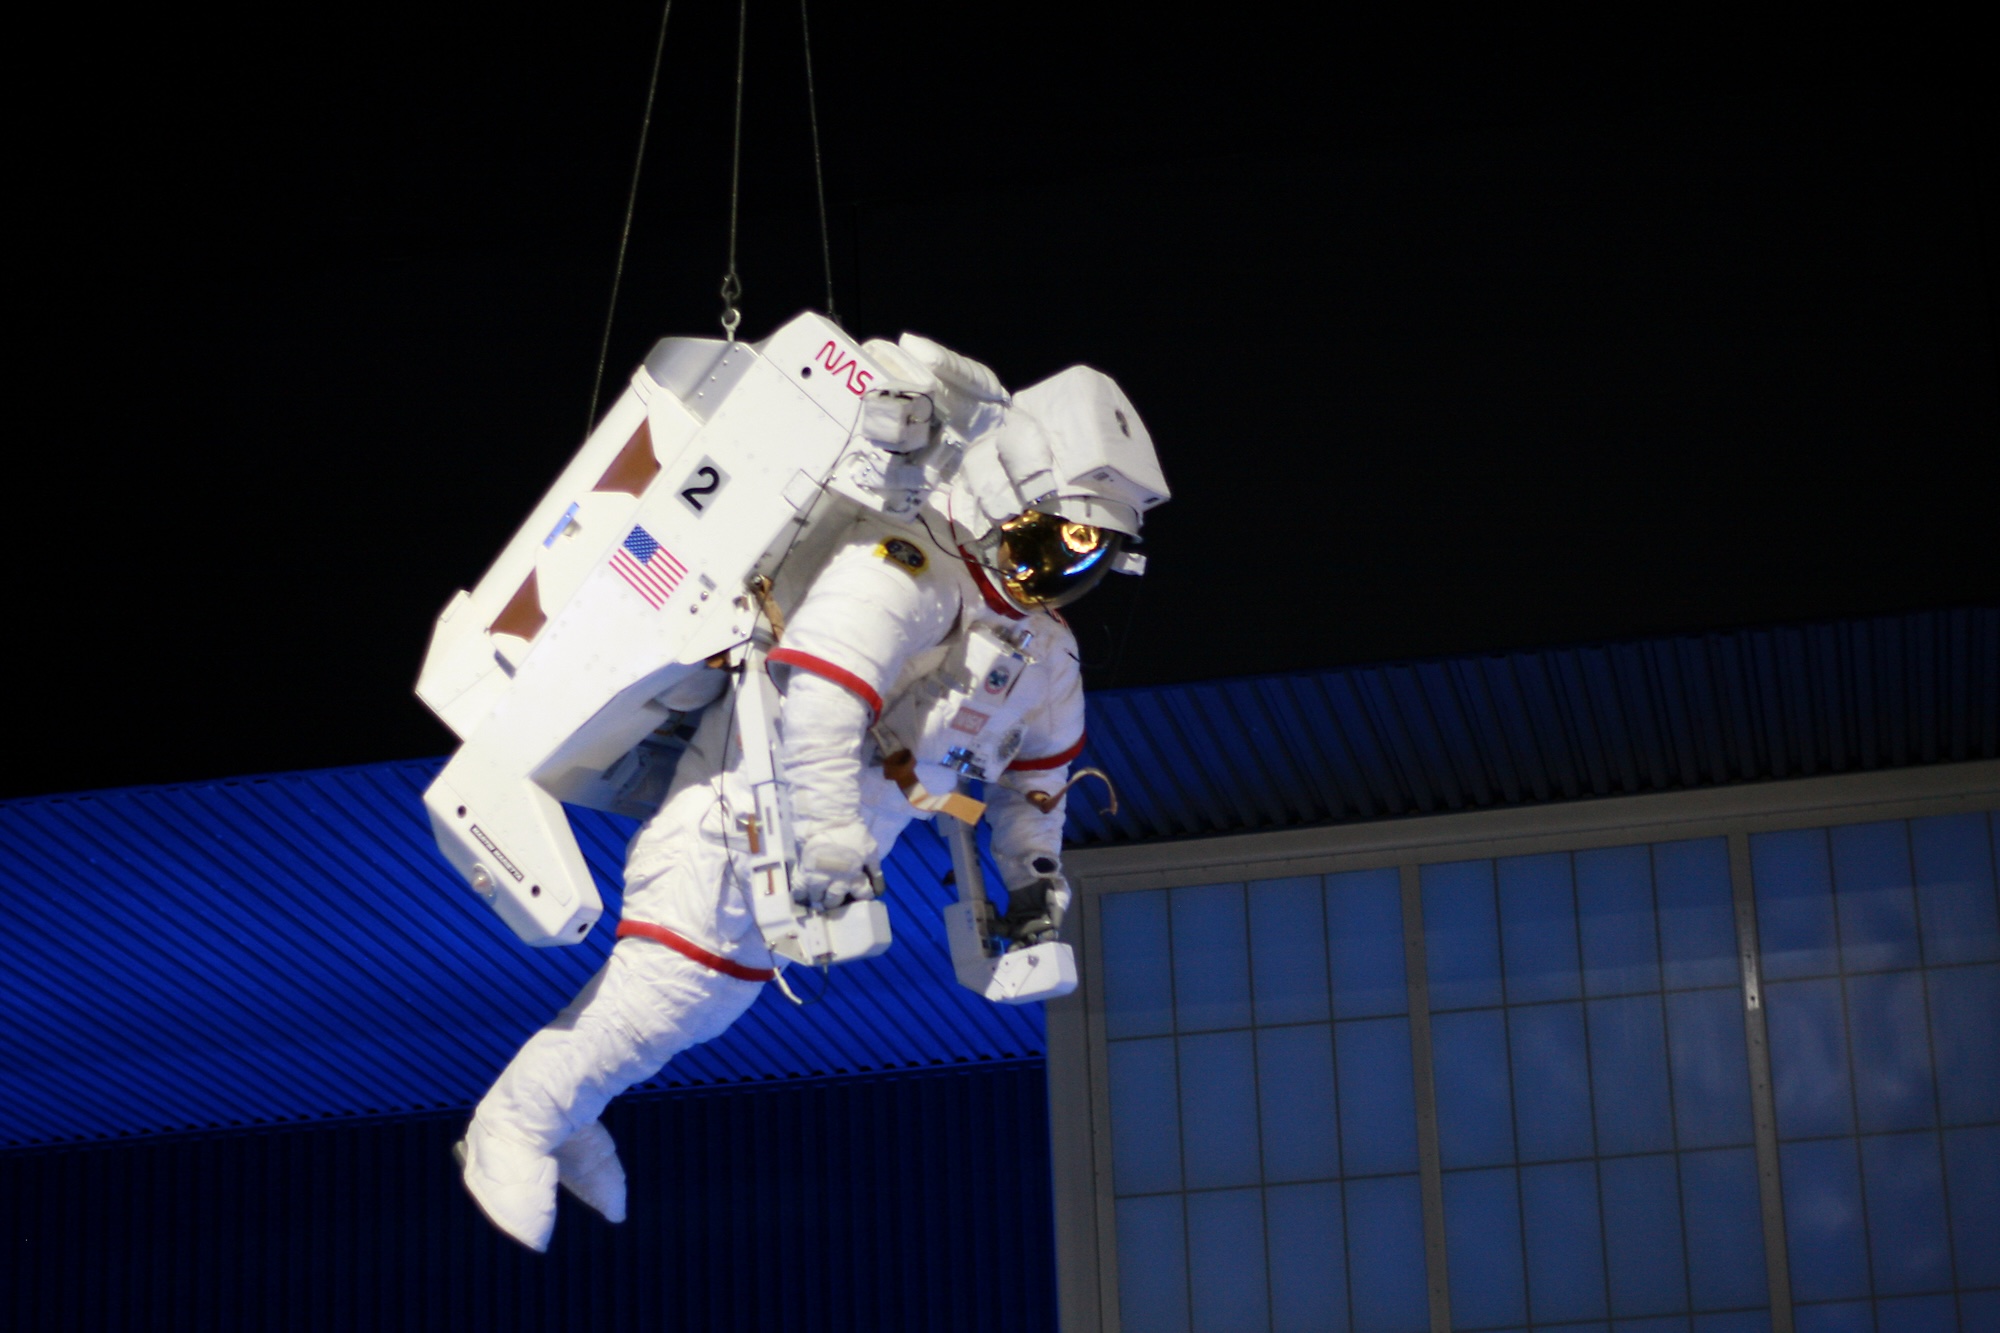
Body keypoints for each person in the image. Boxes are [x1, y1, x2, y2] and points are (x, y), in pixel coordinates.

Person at [456, 354, 1168, 1252]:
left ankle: (569, 1106)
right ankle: (514, 1124)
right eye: (1050, 540)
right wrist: (831, 836)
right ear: (1004, 497)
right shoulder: (905, 563)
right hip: (740, 816)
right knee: (664, 992)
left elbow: (1037, 785)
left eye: (1086, 555)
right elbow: (823, 693)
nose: (1056, 573)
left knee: (695, 1010)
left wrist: (1032, 882)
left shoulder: (1046, 656)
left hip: (816, 863)